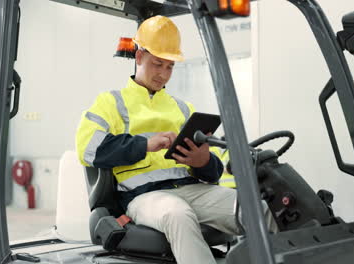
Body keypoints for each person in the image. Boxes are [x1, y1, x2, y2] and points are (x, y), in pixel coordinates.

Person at [76, 15, 275, 264]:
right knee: (178, 215)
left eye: (169, 66)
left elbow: (212, 174)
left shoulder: (183, 109)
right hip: (144, 197)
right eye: (157, 64)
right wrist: (144, 145)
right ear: (139, 57)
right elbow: (87, 148)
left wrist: (202, 161)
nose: (163, 74)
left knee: (262, 210)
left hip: (193, 189)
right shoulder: (110, 102)